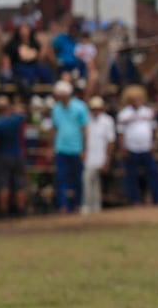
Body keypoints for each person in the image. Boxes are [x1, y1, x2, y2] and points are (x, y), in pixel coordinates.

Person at [116, 84, 158, 206]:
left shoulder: (148, 112)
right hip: (131, 148)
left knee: (153, 173)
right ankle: (135, 200)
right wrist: (123, 148)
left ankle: (157, 199)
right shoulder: (123, 114)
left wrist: (154, 143)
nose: (135, 101)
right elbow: (120, 133)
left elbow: (154, 129)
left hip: (147, 147)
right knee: (132, 176)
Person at [49, 79, 88, 214]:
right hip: (61, 148)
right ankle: (64, 206)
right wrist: (52, 147)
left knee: (77, 177)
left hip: (76, 148)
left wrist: (84, 148)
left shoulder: (80, 107)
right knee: (61, 177)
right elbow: (54, 129)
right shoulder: (56, 109)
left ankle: (78, 204)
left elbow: (84, 129)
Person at [81, 95, 117, 214]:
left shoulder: (107, 121)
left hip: (101, 156)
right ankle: (87, 205)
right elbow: (83, 137)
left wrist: (107, 159)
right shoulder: (86, 120)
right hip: (89, 156)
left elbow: (110, 141)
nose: (95, 111)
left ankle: (96, 206)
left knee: (96, 182)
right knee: (87, 180)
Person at [0, 94, 29, 216]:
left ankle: (3, 212)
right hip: (18, 155)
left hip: (3, 156)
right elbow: (22, 113)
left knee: (3, 185)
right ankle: (21, 210)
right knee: (20, 183)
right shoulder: (16, 120)